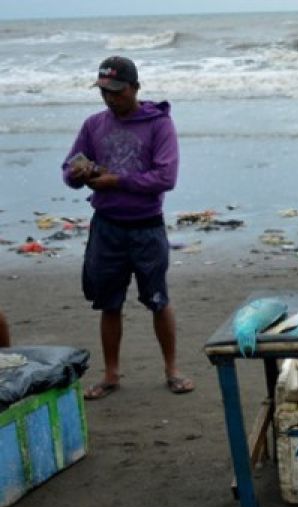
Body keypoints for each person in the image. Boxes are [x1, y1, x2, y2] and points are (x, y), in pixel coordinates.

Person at [62, 55, 193, 400]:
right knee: (109, 303)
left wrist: (116, 181)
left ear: (135, 88)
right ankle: (110, 374)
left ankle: (172, 369)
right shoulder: (93, 125)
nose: (111, 98)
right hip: (106, 227)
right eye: (105, 91)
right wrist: (77, 174)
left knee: (158, 299)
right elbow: (69, 168)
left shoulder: (158, 124)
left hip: (146, 226)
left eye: (118, 91)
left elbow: (166, 177)